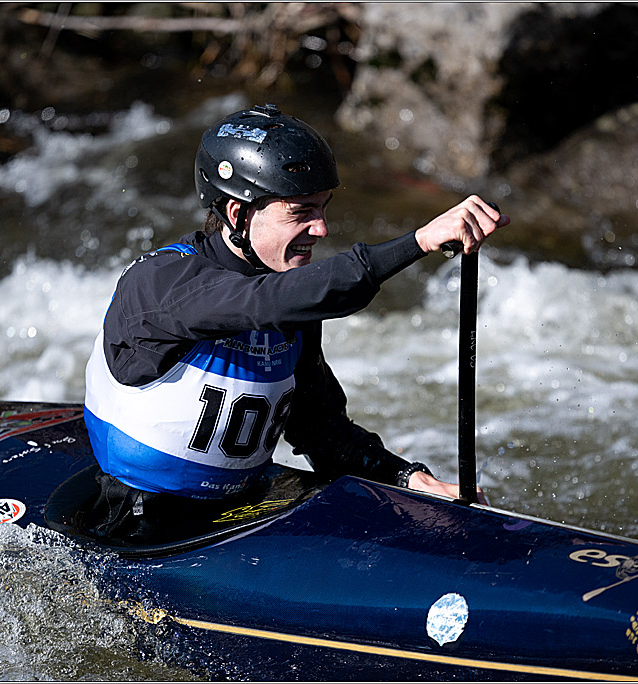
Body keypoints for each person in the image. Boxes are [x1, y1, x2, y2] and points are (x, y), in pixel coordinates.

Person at [83, 103, 508, 544]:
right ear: (237, 214)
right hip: (136, 524)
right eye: (301, 212)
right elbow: (262, 302)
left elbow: (320, 431)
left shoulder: (290, 301)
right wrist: (419, 242)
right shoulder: (162, 284)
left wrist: (410, 481)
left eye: (323, 209)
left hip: (240, 512)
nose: (321, 229)